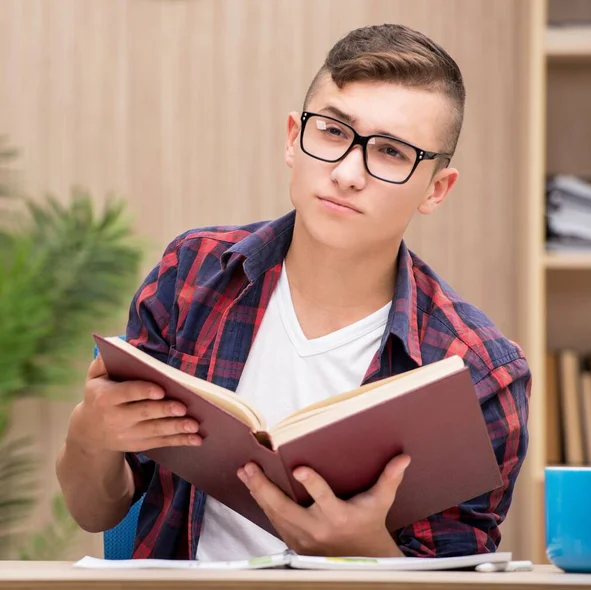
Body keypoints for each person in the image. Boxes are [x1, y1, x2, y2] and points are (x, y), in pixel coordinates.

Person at [56, 23, 531, 561]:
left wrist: (362, 550)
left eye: (392, 153)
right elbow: (97, 512)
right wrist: (89, 437)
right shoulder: (193, 273)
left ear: (437, 189)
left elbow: (457, 572)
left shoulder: (480, 371)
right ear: (292, 138)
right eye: (332, 131)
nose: (348, 173)